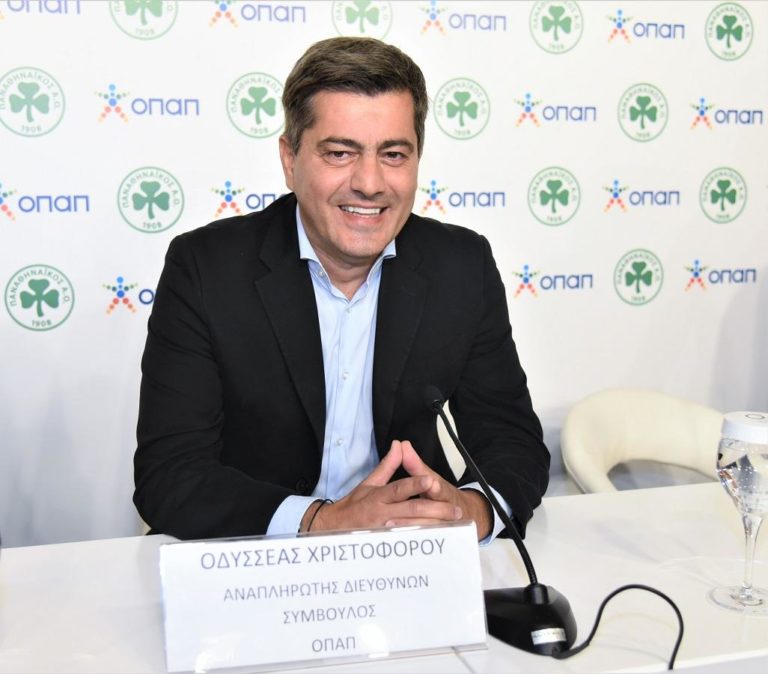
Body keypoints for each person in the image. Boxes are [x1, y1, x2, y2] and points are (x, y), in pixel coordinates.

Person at [134, 37, 549, 542]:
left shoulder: (462, 266)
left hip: (408, 555)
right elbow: (169, 474)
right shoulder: (205, 268)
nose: (370, 183)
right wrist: (319, 521)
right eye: (339, 153)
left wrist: (474, 511)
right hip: (256, 553)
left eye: (393, 154)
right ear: (290, 159)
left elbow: (512, 441)